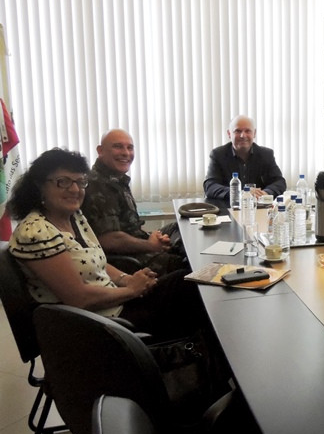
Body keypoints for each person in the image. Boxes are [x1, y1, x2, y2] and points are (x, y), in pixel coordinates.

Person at [6, 148, 206, 341]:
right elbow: (79, 299)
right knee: (193, 298)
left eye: (80, 182)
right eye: (63, 182)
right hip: (99, 326)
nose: (75, 189)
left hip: (115, 304)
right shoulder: (36, 232)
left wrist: (127, 279)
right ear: (39, 186)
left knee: (187, 280)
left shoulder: (74, 217)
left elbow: (97, 261)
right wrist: (132, 290)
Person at [82, 129, 187, 275]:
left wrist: (155, 238)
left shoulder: (116, 179)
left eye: (130, 147)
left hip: (136, 244)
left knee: (180, 227)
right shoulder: (98, 185)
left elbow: (129, 227)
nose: (126, 153)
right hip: (126, 261)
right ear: (100, 151)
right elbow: (110, 240)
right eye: (118, 146)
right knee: (189, 266)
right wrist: (150, 245)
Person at [203, 115, 286, 200]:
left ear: (254, 133)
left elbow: (279, 182)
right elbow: (210, 186)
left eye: (248, 131)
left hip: (259, 205)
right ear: (229, 134)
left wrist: (266, 193)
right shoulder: (218, 154)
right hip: (228, 206)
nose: (243, 135)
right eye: (237, 131)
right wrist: (239, 193)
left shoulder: (266, 155)